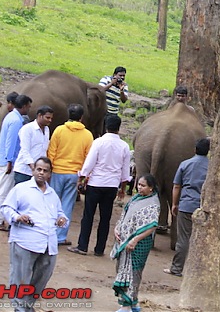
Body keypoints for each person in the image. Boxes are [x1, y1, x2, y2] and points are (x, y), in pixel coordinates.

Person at [0, 157, 68, 312]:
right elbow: (6, 208)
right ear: (33, 170)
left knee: (42, 278)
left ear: (50, 174)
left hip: (48, 244)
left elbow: (60, 213)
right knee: (20, 278)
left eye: (45, 171)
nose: (41, 173)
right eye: (39, 169)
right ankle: (20, 308)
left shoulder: (52, 194)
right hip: (25, 241)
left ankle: (27, 305)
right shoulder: (21, 189)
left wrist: (62, 219)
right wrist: (18, 217)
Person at [68, 115, 131, 256]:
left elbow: (89, 163)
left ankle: (83, 246)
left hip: (96, 183)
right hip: (112, 186)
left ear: (105, 126)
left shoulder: (98, 142)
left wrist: (82, 178)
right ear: (119, 128)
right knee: (105, 218)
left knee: (88, 215)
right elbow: (125, 170)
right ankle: (99, 249)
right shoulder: (124, 146)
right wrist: (122, 189)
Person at [112, 174, 160, 312]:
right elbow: (125, 215)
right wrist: (117, 228)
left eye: (143, 185)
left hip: (139, 244)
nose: (139, 187)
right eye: (138, 184)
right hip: (125, 241)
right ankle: (133, 303)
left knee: (134, 272)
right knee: (122, 269)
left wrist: (134, 240)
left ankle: (126, 305)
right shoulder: (135, 198)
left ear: (151, 188)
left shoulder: (153, 203)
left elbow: (152, 226)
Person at [47, 103, 94, 245]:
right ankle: (60, 237)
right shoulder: (87, 135)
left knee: (51, 203)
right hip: (75, 174)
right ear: (81, 117)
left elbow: (51, 151)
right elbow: (88, 157)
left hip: (57, 171)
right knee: (67, 205)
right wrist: (84, 177)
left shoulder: (59, 130)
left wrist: (49, 170)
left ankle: (47, 232)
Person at [164, 137, 210, 276]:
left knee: (183, 238)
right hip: (204, 207)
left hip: (186, 205)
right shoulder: (212, 167)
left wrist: (174, 204)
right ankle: (197, 271)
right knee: (201, 240)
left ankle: (177, 268)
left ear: (195, 149)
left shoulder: (185, 164)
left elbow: (177, 186)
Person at [0, 94, 32, 230]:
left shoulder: (11, 117)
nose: (29, 109)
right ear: (24, 106)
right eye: (28, 107)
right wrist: (9, 162)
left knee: (2, 190)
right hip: (8, 161)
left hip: (4, 159)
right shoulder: (16, 121)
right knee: (3, 191)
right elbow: (11, 143)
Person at [13, 106, 54, 184]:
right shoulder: (27, 129)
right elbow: (25, 150)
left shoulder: (46, 130)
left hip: (38, 172)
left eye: (51, 118)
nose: (50, 120)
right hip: (24, 171)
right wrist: (33, 168)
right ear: (39, 116)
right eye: (47, 118)